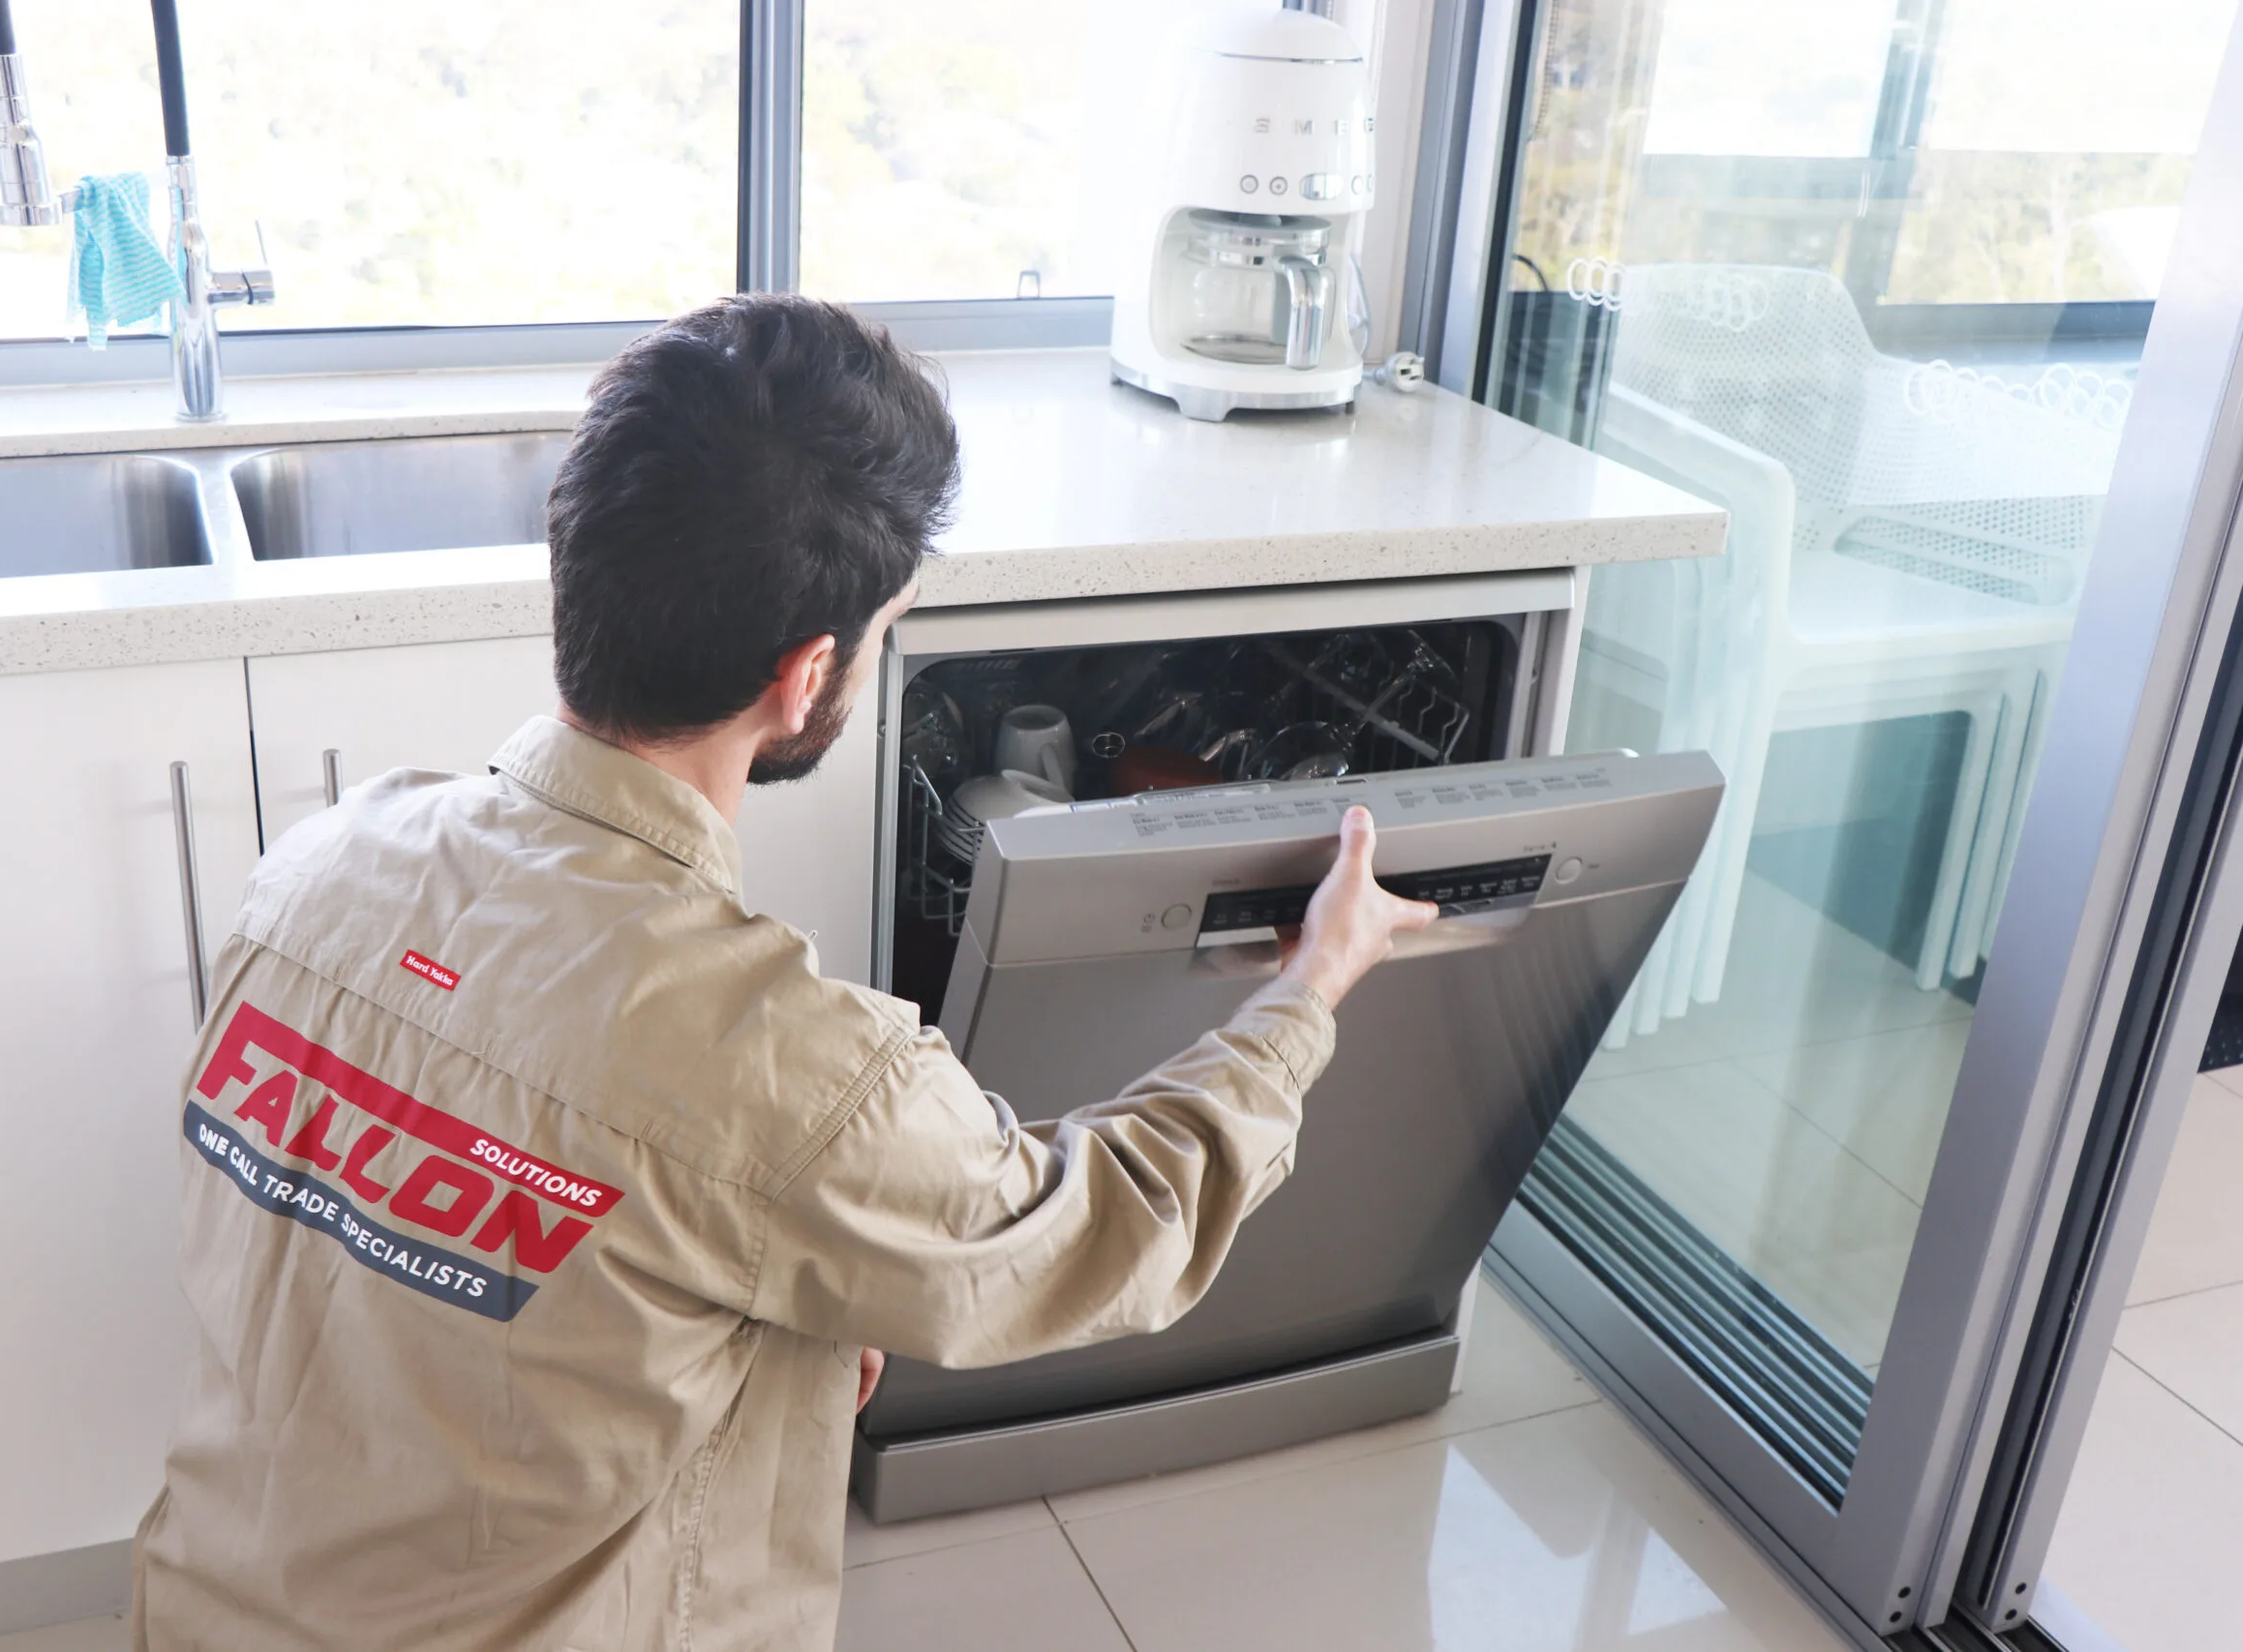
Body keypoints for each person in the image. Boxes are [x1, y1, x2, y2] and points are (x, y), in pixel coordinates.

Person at [132, 293, 1437, 1652]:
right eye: (885, 629)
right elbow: (1108, 1223)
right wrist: (1305, 993)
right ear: (808, 674)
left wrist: (785, 1327)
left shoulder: (321, 861)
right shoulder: (791, 1076)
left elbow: (422, 1284)